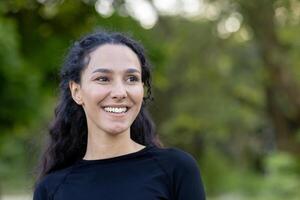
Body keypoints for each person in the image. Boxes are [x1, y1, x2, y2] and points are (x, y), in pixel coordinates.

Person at [33, 31, 206, 200]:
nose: (120, 92)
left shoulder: (176, 169)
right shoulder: (52, 189)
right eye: (103, 79)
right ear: (77, 91)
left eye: (131, 78)